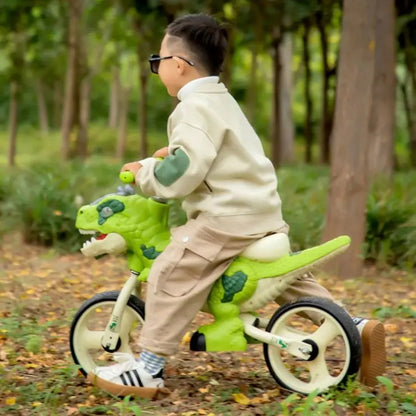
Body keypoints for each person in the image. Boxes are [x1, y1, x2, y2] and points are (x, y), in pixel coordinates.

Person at [91, 13, 385, 395]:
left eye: (157, 61)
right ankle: (352, 328)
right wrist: (174, 154)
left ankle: (148, 367)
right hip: (262, 213)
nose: (157, 68)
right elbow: (215, 154)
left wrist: (147, 170)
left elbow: (182, 175)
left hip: (225, 218)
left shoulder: (191, 108)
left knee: (171, 272)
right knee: (286, 279)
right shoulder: (221, 100)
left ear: (178, 65)